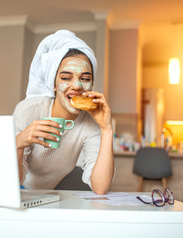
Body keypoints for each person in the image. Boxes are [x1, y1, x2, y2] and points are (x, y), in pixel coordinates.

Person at [13, 30, 114, 195]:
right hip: (16, 191)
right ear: (53, 84)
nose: (77, 86)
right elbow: (14, 181)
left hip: (47, 197)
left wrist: (107, 128)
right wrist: (18, 144)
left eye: (85, 78)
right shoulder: (28, 111)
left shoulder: (91, 123)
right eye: (66, 78)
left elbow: (100, 187)